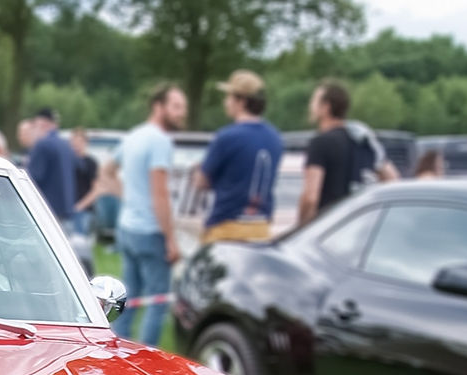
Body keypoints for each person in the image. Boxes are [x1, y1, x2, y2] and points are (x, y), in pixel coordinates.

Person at [112, 83, 188, 347]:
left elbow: (107, 170)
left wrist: (128, 197)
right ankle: (147, 366)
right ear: (159, 107)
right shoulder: (160, 141)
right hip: (150, 231)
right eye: (176, 107)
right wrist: (171, 240)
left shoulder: (133, 137)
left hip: (127, 229)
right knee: (157, 304)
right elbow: (160, 194)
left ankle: (116, 357)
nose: (182, 113)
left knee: (128, 302)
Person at [193, 70, 283, 244]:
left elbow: (201, 182)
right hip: (262, 227)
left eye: (228, 97)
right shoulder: (276, 137)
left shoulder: (226, 137)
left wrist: (198, 170)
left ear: (241, 102)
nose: (225, 102)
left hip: (227, 227)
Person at [297, 80, 397, 225]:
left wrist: (300, 230)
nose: (310, 106)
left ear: (326, 107)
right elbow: (392, 179)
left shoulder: (320, 143)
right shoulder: (363, 141)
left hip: (327, 228)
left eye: (314, 101)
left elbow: (310, 198)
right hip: (359, 226)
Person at [24, 108, 76, 224]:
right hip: (66, 209)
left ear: (42, 124)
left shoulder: (42, 144)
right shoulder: (66, 145)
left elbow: (33, 178)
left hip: (47, 210)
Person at [70, 128, 99, 235]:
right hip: (68, 210)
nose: (76, 145)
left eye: (79, 142)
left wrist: (80, 207)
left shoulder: (90, 163)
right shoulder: (68, 162)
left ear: (85, 143)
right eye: (73, 143)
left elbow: (96, 190)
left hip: (84, 211)